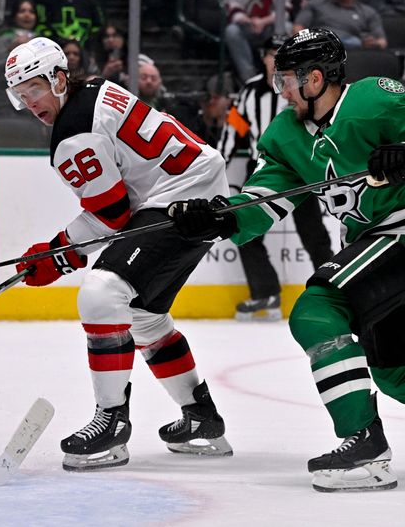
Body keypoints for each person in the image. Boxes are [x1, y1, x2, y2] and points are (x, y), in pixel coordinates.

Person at [168, 27, 405, 492]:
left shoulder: (376, 98)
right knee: (395, 373)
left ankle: (366, 447)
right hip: (373, 245)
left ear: (315, 79)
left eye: (287, 80)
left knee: (318, 308)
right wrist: (218, 218)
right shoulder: (285, 135)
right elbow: (262, 201)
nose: (281, 90)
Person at [4, 37, 233, 471]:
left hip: (180, 197)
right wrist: (60, 251)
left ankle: (111, 423)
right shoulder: (92, 89)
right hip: (199, 187)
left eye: (34, 88)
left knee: (102, 292)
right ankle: (202, 418)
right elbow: (120, 206)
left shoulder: (73, 134)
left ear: (58, 79)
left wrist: (57, 254)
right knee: (143, 316)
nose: (29, 102)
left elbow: (111, 215)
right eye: (20, 94)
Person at [218, 34, 333, 320]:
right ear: (263, 57)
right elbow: (234, 129)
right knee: (245, 229)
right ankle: (265, 293)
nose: (276, 58)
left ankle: (335, 289)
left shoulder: (304, 86)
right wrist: (219, 164)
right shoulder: (249, 91)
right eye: (272, 53)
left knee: (313, 233)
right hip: (262, 167)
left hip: (300, 167)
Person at [223, 0, 292, 83]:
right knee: (232, 31)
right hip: (248, 26)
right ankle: (250, 80)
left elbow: (284, 12)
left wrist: (263, 22)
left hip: (271, 26)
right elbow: (233, 6)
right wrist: (250, 21)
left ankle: (280, 78)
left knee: (288, 27)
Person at [293, 0, 387, 49]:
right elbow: (298, 27)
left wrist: (373, 44)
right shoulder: (315, 4)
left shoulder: (368, 12)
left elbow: (382, 41)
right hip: (319, 45)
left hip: (353, 51)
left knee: (355, 42)